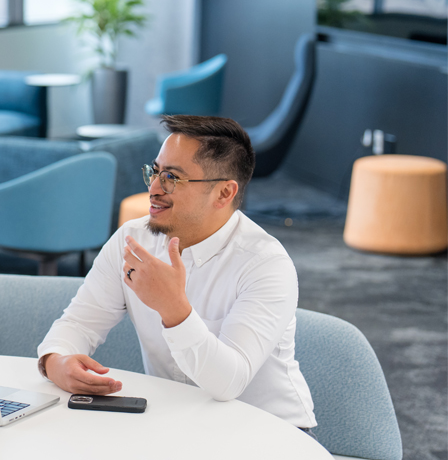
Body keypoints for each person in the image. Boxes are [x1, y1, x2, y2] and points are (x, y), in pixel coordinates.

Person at [37, 115, 316, 428]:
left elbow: (229, 383)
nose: (154, 188)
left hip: (271, 433)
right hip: (181, 424)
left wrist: (174, 309)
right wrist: (56, 361)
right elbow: (78, 323)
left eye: (171, 177)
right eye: (154, 172)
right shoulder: (132, 240)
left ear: (224, 193)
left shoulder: (265, 264)